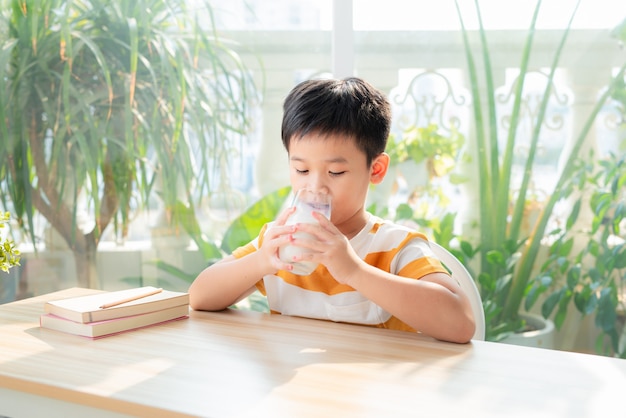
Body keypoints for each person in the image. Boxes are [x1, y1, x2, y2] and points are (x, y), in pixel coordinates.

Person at [189, 77, 475, 344]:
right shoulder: (280, 242)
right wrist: (262, 261)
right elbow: (199, 296)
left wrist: (354, 271)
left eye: (335, 172)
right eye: (301, 169)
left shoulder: (394, 247)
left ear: (375, 170)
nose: (315, 186)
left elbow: (460, 323)